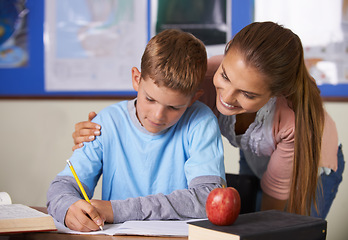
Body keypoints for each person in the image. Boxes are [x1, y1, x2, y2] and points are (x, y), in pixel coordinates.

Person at [73, 22, 344, 219]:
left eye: (247, 94)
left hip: (310, 163)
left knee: (283, 227)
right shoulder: (203, 76)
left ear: (274, 94)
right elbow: (154, 102)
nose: (226, 96)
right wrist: (101, 132)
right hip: (253, 151)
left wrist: (269, 227)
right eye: (225, 76)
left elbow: (272, 210)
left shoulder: (291, 123)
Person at [47, 29, 226, 232]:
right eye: (150, 99)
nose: (158, 115)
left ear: (194, 98)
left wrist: (118, 210)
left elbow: (208, 199)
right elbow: (62, 186)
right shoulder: (107, 122)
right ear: (136, 79)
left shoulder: (201, 122)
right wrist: (68, 207)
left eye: (174, 107)